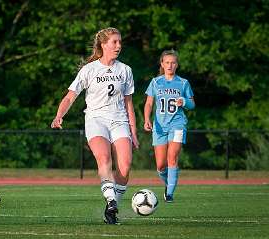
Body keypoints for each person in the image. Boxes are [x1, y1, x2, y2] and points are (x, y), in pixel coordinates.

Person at [51, 27, 139, 225]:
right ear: (103, 44)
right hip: (96, 120)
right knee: (104, 157)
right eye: (114, 42)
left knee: (125, 167)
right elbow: (70, 96)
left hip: (119, 120)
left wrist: (133, 130)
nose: (118, 46)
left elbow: (128, 103)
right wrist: (59, 115)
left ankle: (113, 205)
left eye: (120, 42)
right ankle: (110, 202)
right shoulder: (89, 69)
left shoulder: (125, 70)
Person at [143, 50, 195, 203]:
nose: (170, 65)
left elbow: (192, 104)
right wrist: (147, 119)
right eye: (167, 62)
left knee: (172, 158)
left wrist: (184, 102)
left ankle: (170, 194)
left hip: (177, 124)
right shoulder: (155, 82)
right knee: (160, 165)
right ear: (162, 64)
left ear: (177, 65)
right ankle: (168, 184)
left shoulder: (183, 83)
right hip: (159, 127)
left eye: (173, 62)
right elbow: (149, 103)